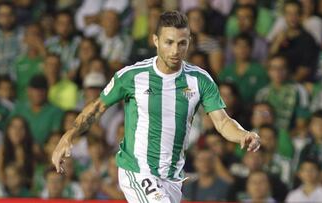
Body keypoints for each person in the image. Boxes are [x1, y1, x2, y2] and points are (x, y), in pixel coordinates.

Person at [52, 11, 260, 203]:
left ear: (189, 42)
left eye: (182, 43)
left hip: (172, 178)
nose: (175, 50)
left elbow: (222, 121)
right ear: (155, 40)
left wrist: (242, 134)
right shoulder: (132, 76)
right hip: (137, 169)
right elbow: (96, 108)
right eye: (169, 43)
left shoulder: (200, 80)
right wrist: (67, 136)